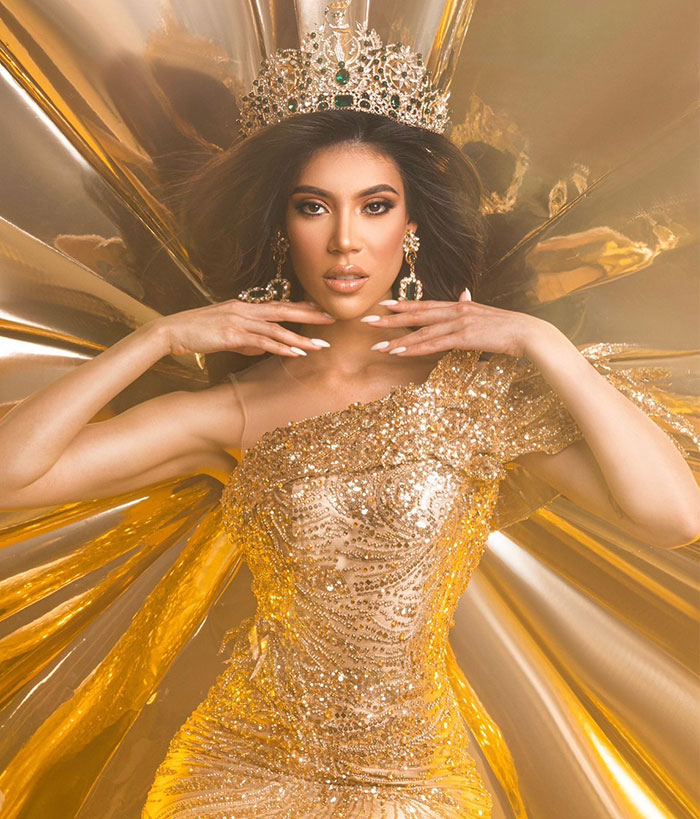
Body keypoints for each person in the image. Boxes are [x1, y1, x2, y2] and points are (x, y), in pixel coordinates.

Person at [1, 6, 699, 819]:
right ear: (283, 228)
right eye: (313, 206)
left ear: (408, 228)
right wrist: (159, 339)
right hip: (238, 769)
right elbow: (11, 477)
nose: (344, 240)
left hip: (417, 781)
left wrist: (546, 344)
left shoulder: (475, 396)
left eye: (373, 206)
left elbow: (674, 514)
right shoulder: (236, 410)